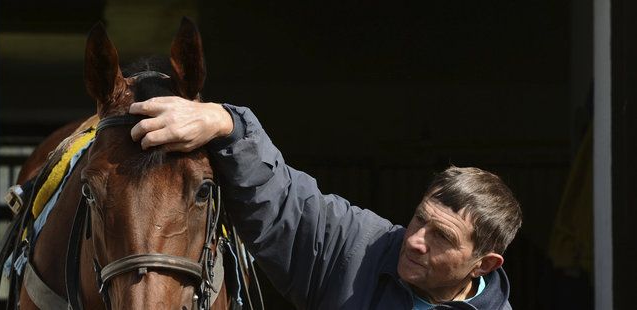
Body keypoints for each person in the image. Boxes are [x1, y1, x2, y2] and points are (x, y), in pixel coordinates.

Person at [127, 97, 523, 310]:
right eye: (420, 219)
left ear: (484, 264)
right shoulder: (356, 249)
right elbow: (281, 203)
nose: (417, 240)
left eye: (442, 237)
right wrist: (226, 123)